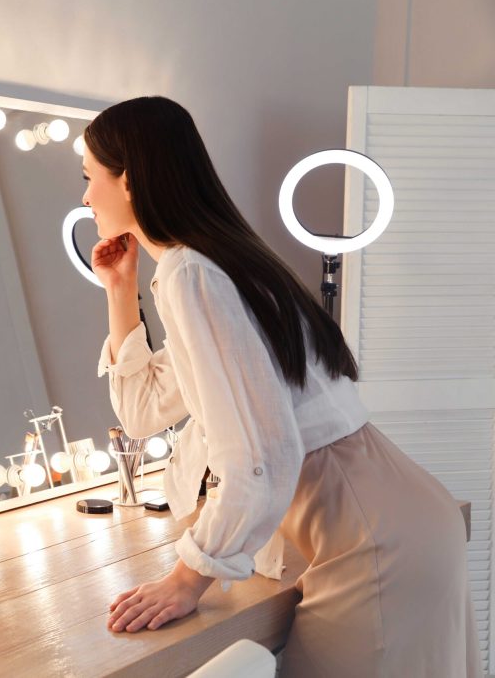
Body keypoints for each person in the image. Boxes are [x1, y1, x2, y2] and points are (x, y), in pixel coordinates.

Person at [86, 97, 480, 676]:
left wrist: (188, 578)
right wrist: (120, 292)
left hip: (368, 538)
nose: (85, 197)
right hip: (393, 517)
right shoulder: (214, 266)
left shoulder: (193, 273)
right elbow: (145, 412)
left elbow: (261, 453)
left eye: (90, 178)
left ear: (130, 179)